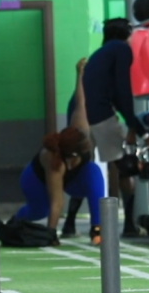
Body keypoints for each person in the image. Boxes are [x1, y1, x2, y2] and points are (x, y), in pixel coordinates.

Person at [72, 18, 149, 237]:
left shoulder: (101, 52)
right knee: (124, 167)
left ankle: (69, 222)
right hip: (101, 115)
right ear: (128, 33)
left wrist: (135, 126)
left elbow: (113, 94)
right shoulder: (121, 50)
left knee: (84, 165)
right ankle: (129, 224)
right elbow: (122, 91)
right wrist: (138, 128)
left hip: (84, 114)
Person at [16, 58, 105, 245]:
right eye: (86, 146)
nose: (89, 144)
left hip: (72, 178)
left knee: (94, 173)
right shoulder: (53, 161)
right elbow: (57, 202)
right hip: (35, 180)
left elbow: (80, 101)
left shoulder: (81, 129)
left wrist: (79, 74)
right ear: (74, 154)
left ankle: (97, 229)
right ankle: (17, 220)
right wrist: (51, 234)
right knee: (40, 211)